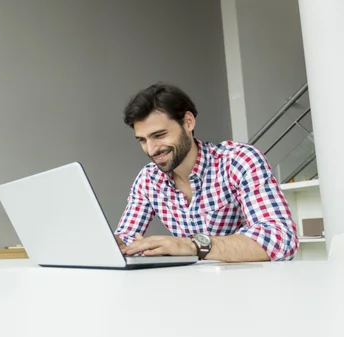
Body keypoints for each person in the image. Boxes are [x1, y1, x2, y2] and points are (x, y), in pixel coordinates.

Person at [114, 82, 299, 262]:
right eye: (142, 140)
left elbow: (280, 238)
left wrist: (192, 246)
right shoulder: (148, 179)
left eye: (159, 135)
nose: (151, 149)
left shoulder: (238, 161)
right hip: (191, 287)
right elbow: (126, 238)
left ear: (188, 122)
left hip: (246, 285)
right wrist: (112, 244)